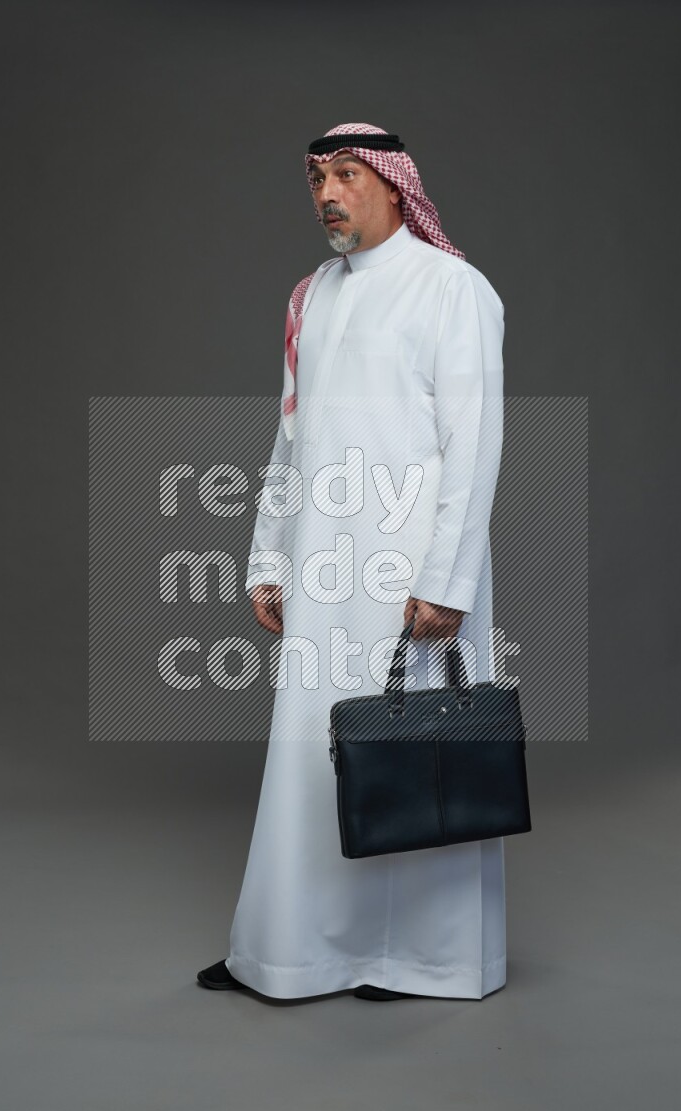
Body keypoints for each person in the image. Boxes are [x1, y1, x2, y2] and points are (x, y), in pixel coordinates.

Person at [198, 122, 506, 1001]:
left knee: (418, 752)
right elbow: (291, 437)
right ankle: (294, 952)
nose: (328, 193)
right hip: (323, 563)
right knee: (312, 753)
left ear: (394, 184)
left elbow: (474, 442)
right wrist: (269, 557)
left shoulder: (454, 288)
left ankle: (424, 959)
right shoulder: (312, 297)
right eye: (317, 179)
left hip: (411, 573)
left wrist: (446, 582)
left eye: (345, 175)